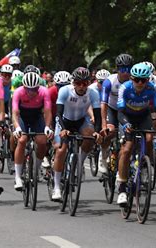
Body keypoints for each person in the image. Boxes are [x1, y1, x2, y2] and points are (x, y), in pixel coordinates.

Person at [116, 62, 156, 205]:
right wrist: (126, 124)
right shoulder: (124, 88)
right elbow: (119, 112)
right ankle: (121, 188)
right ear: (131, 79)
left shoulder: (152, 89)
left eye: (143, 80)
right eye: (136, 80)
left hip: (143, 116)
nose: (140, 83)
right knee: (127, 149)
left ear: (147, 80)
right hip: (127, 117)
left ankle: (145, 165)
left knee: (150, 139)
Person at [51, 67, 101, 200]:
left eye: (85, 83)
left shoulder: (93, 93)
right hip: (64, 121)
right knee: (61, 150)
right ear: (73, 82)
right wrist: (62, 129)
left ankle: (79, 163)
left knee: (90, 136)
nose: (81, 86)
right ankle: (56, 187)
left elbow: (98, 116)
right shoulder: (65, 90)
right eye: (78, 83)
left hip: (80, 121)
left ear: (89, 83)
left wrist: (97, 132)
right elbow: (58, 114)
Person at [11, 72, 53, 190]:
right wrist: (17, 127)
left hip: (36, 116)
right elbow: (15, 113)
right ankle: (18, 176)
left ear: (38, 87)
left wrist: (47, 127)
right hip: (22, 117)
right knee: (22, 140)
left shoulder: (44, 91)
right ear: (24, 87)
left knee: (42, 141)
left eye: (34, 89)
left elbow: (48, 111)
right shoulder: (18, 92)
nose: (31, 92)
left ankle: (36, 167)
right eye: (28, 89)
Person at [98, 53, 134, 174]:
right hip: (112, 108)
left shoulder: (135, 81)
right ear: (117, 69)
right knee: (110, 131)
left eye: (128, 69)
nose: (125, 72)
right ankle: (103, 154)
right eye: (122, 69)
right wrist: (104, 125)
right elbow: (103, 103)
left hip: (127, 110)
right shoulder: (109, 82)